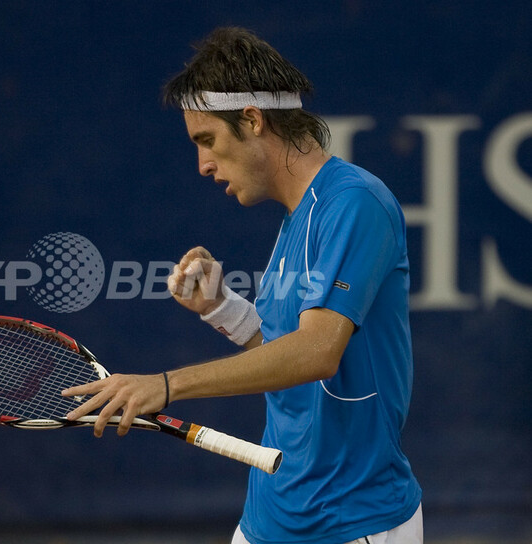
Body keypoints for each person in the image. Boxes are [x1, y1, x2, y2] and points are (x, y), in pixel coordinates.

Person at [62, 26, 422, 544]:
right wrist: (221, 307)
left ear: (252, 120)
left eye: (207, 140)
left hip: (347, 523)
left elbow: (317, 352)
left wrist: (165, 385)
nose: (203, 165)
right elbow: (285, 353)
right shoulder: (298, 217)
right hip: (269, 517)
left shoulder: (354, 203)